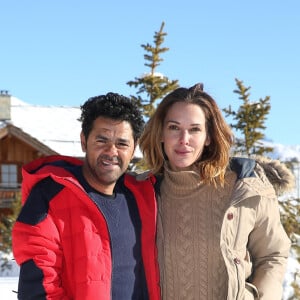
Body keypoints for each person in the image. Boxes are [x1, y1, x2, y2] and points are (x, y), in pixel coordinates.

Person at [139, 83, 294, 300]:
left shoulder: (245, 187)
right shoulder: (141, 191)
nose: (184, 139)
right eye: (174, 127)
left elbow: (273, 254)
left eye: (195, 129)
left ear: (208, 137)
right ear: (161, 133)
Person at [12, 93, 160, 300]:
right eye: (102, 140)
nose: (111, 151)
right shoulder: (49, 197)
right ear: (84, 141)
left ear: (134, 147)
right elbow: (39, 289)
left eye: (122, 143)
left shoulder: (144, 197)